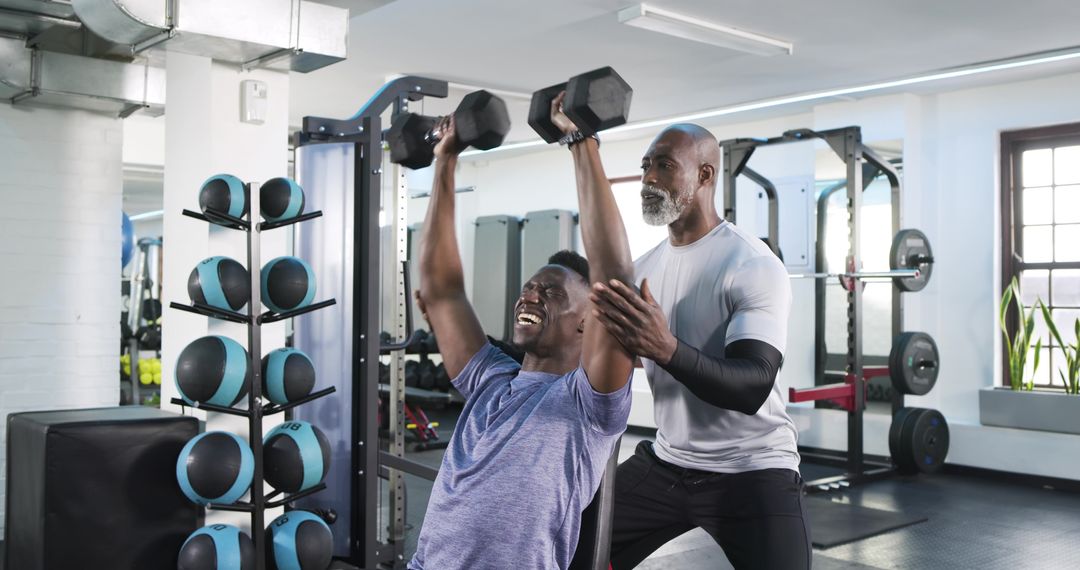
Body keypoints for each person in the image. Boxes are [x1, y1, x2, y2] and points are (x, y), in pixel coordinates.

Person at [407, 105, 637, 570]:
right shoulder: (489, 379)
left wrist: (581, 144)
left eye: (552, 291)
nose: (531, 295)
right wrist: (446, 159)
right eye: (530, 287)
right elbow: (441, 291)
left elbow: (614, 281)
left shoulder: (589, 405)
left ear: (587, 322)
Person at [589, 123, 810, 569]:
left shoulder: (751, 264)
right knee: (569, 541)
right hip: (667, 463)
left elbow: (752, 385)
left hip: (752, 468)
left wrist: (665, 348)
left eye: (665, 166)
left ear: (705, 176)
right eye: (646, 166)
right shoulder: (644, 268)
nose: (650, 177)